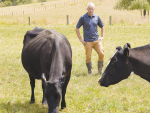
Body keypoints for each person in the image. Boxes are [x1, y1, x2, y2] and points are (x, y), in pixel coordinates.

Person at [75, 2, 104, 75]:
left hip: (97, 40)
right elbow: (77, 28)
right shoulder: (83, 17)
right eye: (89, 9)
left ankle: (100, 70)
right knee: (88, 57)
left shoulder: (97, 17)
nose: (91, 10)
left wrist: (102, 36)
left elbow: (102, 26)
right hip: (87, 42)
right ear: (87, 9)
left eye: (92, 9)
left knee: (101, 54)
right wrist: (81, 39)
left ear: (94, 9)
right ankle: (90, 71)